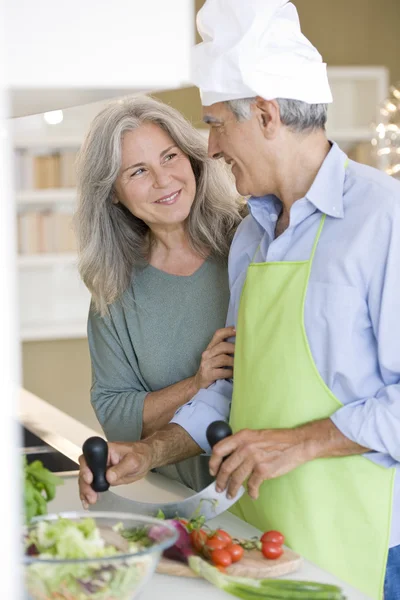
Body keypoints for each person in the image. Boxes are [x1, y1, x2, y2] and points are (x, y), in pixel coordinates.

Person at [79, 2, 400, 599]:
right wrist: (149, 453)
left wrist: (302, 441)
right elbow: (232, 384)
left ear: (268, 115)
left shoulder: (384, 217)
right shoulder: (252, 233)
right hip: (265, 532)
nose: (211, 144)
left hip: (372, 540)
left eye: (216, 123)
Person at [74, 95, 243, 494]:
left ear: (192, 158)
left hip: (262, 493)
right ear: (112, 192)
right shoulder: (114, 289)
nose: (163, 180)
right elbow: (117, 416)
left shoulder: (249, 238)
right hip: (178, 497)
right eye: (137, 171)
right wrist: (197, 382)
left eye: (169, 157)